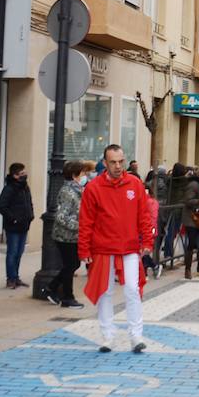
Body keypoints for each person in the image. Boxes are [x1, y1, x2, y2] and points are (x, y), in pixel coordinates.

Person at [79, 144, 155, 353]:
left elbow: (144, 216)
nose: (118, 166)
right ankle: (107, 336)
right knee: (105, 292)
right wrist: (84, 250)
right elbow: (86, 221)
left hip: (129, 247)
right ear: (105, 163)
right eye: (113, 162)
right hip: (102, 248)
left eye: (121, 161)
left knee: (132, 289)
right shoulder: (93, 188)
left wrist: (147, 242)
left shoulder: (135, 184)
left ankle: (136, 336)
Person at [45, 160, 89, 308]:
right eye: (83, 173)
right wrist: (80, 226)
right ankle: (67, 297)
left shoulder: (77, 190)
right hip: (65, 237)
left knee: (73, 264)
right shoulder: (67, 192)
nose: (85, 176)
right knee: (70, 265)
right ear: (74, 175)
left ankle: (52, 287)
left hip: (72, 237)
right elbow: (61, 217)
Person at [0, 162, 34, 289]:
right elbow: (1, 206)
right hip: (13, 226)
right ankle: (11, 278)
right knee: (12, 252)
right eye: (22, 173)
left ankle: (16, 277)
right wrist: (14, 219)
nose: (25, 175)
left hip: (24, 225)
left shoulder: (25, 187)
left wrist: (30, 216)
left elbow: (29, 202)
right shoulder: (10, 188)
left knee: (19, 252)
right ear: (15, 175)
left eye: (24, 172)